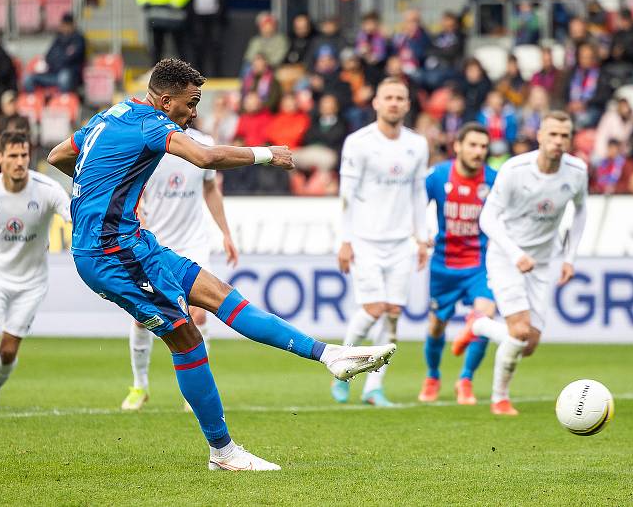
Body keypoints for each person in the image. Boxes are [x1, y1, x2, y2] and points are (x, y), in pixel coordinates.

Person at [47, 58, 395, 471]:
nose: (193, 112)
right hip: (109, 253)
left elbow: (59, 155)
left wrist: (99, 190)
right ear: (164, 99)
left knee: (222, 296)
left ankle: (328, 355)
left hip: (134, 243)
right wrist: (267, 154)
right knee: (187, 338)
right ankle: (223, 452)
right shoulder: (152, 124)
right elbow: (206, 158)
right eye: (190, 103)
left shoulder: (111, 115)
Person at [454, 111, 588, 415]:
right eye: (552, 134)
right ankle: (499, 398)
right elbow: (487, 217)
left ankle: (479, 324)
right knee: (519, 331)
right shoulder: (515, 169)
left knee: (528, 345)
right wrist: (515, 254)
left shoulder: (577, 171)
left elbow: (581, 212)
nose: (558, 141)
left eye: (564, 135)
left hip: (542, 262)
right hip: (506, 257)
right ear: (539, 136)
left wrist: (570, 257)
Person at [121, 125, 238, 411]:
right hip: (154, 243)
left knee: (199, 314)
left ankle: (196, 391)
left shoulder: (204, 143)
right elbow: (133, 193)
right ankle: (140, 385)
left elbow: (210, 188)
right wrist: (139, 229)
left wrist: (225, 232)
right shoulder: (149, 142)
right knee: (142, 318)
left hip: (193, 243)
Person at [332, 77, 429, 407]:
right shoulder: (359, 143)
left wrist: (422, 236)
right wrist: (345, 241)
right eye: (387, 97)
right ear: (375, 102)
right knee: (373, 309)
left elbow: (418, 192)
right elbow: (347, 195)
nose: (394, 103)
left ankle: (374, 388)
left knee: (392, 314)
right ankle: (342, 363)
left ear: (407, 104)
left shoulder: (418, 144)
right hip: (366, 239)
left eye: (400, 97)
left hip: (402, 241)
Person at [0, 131, 71, 409]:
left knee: (7, 352)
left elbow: (73, 217)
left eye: (24, 155)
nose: (20, 161)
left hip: (31, 282)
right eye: (13, 156)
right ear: (0, 158)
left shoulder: (48, 190)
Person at [419, 123, 497, 405]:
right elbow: (415, 204)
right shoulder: (439, 176)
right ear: (458, 146)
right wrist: (419, 234)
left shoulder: (494, 180)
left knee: (485, 318)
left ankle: (465, 379)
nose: (479, 152)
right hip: (443, 265)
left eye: (483, 147)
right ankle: (432, 375)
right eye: (473, 145)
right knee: (436, 327)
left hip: (480, 264)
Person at [23, 14, 86, 93]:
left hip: (70, 76)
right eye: (63, 24)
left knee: (64, 77)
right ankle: (34, 102)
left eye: (67, 24)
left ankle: (62, 102)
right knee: (28, 78)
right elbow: (48, 56)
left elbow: (70, 59)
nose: (64, 27)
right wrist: (57, 59)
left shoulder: (79, 39)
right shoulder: (58, 38)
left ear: (72, 25)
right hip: (52, 73)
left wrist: (57, 59)